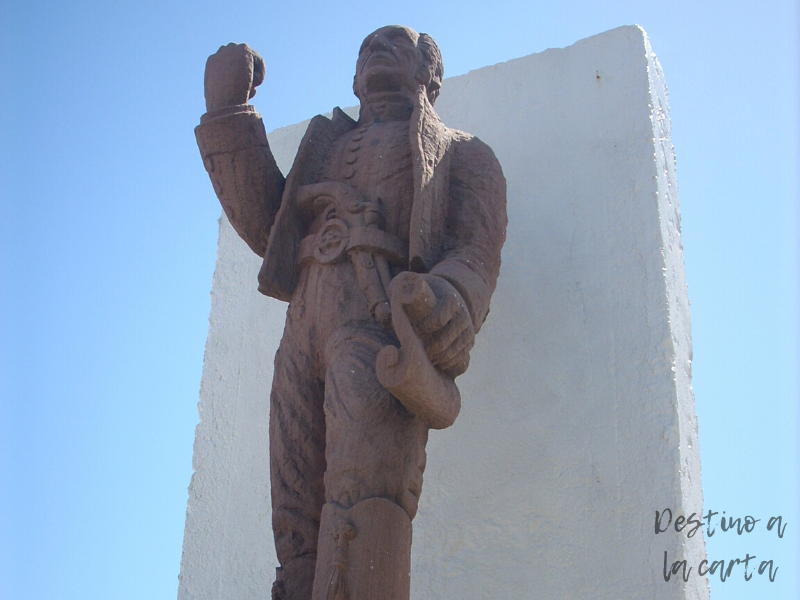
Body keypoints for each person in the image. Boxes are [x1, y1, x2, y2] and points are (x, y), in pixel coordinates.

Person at [196, 25, 506, 600]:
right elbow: (272, 227)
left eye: (394, 44)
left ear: (429, 76)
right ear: (353, 78)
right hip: (302, 330)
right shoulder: (327, 145)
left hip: (376, 322)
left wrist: (447, 300)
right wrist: (229, 116)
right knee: (294, 510)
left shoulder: (463, 153)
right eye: (366, 49)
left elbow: (473, 249)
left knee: (367, 490)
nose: (376, 52)